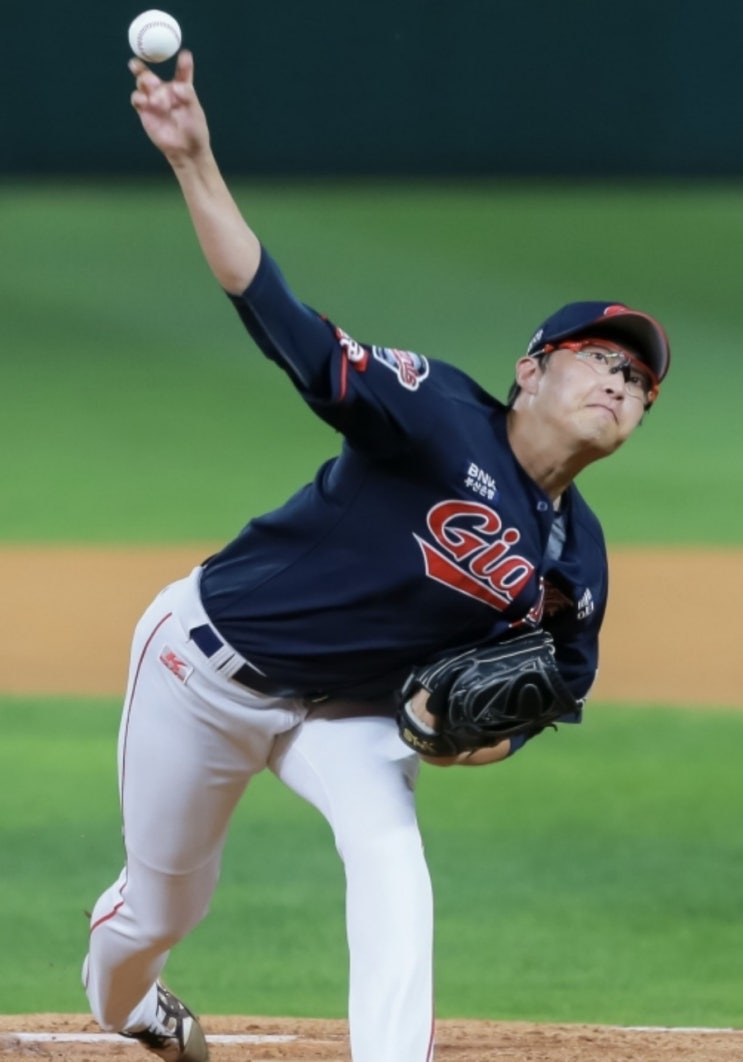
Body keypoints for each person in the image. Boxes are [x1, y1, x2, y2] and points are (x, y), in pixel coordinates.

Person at [82, 49, 671, 1062]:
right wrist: (191, 159)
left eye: (638, 383)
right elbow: (283, 322)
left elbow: (538, 704)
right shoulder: (435, 412)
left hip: (347, 713)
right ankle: (125, 1002)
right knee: (163, 907)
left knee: (394, 866)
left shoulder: (576, 561)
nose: (620, 384)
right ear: (530, 371)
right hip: (206, 665)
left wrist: (458, 735)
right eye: (599, 360)